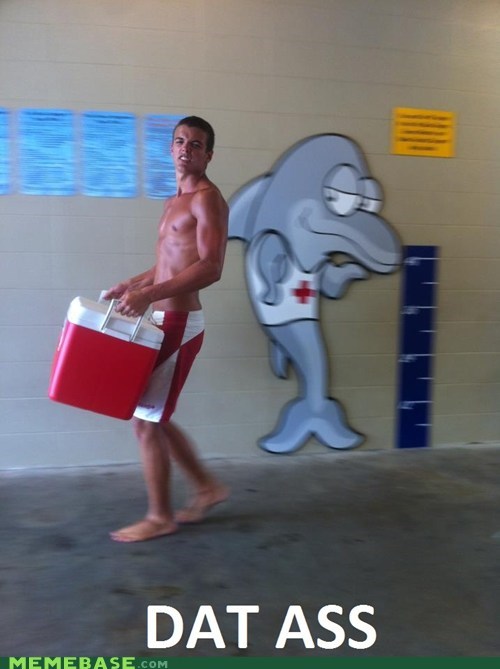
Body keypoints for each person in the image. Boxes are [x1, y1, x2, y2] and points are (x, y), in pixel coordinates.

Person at [104, 116, 229, 542]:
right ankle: (207, 487)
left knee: (145, 420)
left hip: (181, 322)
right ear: (170, 148)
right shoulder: (172, 201)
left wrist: (150, 294)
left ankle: (160, 516)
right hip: (161, 320)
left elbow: (211, 267)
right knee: (152, 414)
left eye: (196, 144)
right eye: (180, 141)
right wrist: (132, 285)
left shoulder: (207, 200)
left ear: (208, 155)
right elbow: (169, 263)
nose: (186, 149)